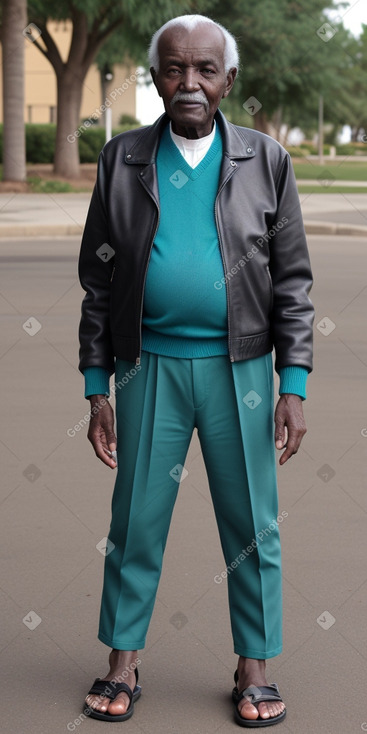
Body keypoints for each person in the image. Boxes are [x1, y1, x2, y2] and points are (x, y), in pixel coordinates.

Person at [78, 13, 314, 727]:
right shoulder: (121, 160)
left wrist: (291, 385)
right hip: (146, 369)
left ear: (227, 80)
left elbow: (293, 282)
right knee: (134, 522)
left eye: (205, 69)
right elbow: (97, 281)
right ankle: (123, 659)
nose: (189, 82)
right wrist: (97, 388)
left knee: (251, 525)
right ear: (156, 78)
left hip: (237, 372)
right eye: (175, 68)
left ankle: (253, 666)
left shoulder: (265, 160)